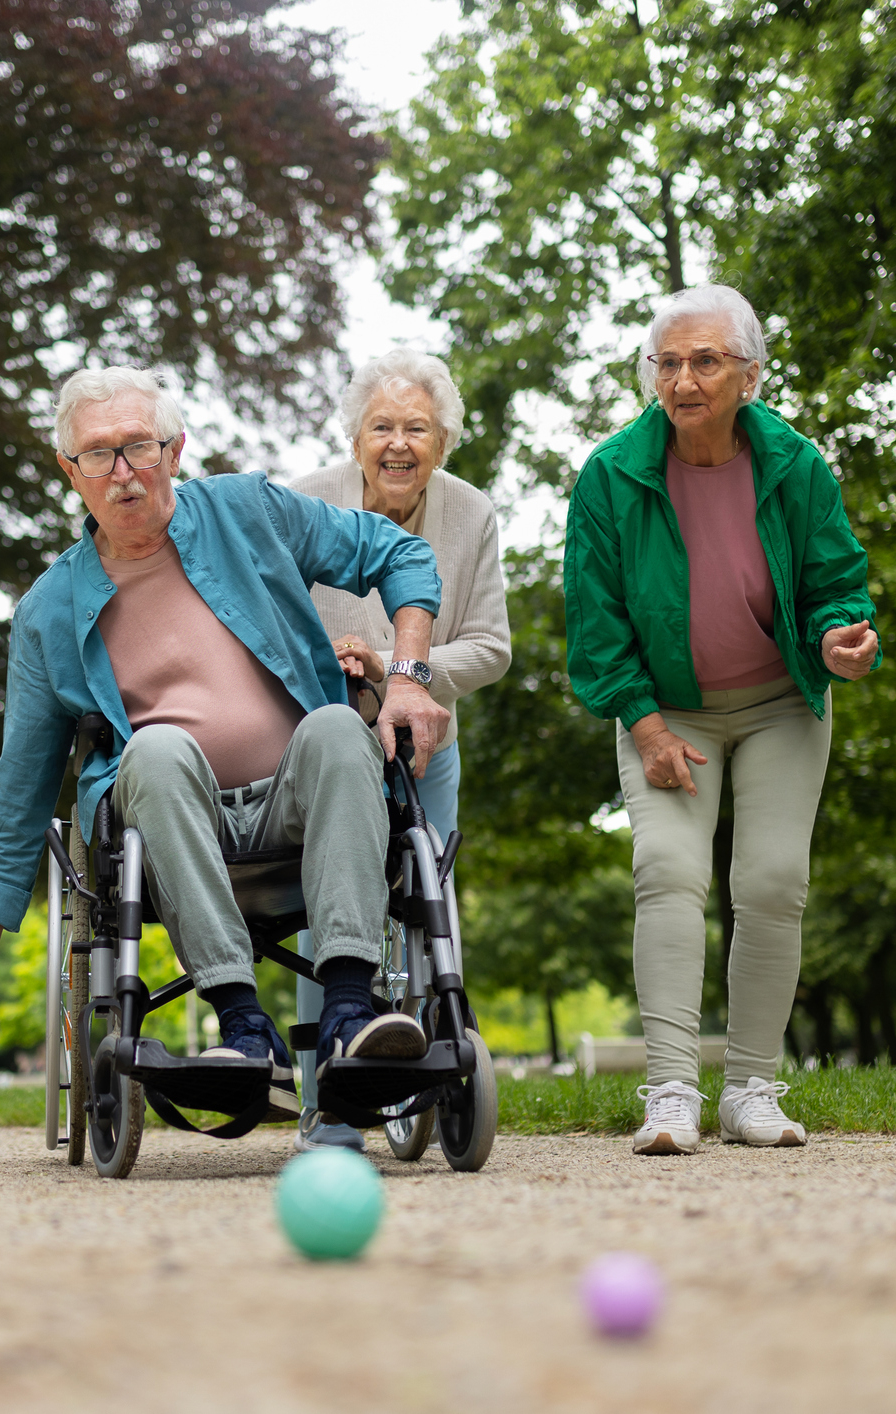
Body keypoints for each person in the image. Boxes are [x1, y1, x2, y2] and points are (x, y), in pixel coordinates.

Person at [0, 366, 454, 1116]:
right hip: (176, 821)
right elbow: (18, 792)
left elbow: (399, 555)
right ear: (68, 471)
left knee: (339, 724)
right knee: (155, 748)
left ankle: (348, 1012)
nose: (122, 473)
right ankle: (242, 1026)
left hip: (301, 806)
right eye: (97, 455)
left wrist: (405, 678)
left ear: (175, 451)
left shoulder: (247, 511)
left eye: (138, 447)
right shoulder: (47, 613)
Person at [563, 284, 879, 1157]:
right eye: (667, 363)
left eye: (704, 361)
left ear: (748, 374)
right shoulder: (610, 474)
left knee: (772, 882)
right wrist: (643, 721)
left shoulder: (795, 465)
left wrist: (838, 643)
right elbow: (595, 623)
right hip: (666, 709)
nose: (683, 380)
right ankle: (669, 1091)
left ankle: (750, 1088)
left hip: (780, 700)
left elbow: (833, 585)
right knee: (666, 871)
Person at [286, 349, 510, 1151]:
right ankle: (327, 1097)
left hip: (423, 734)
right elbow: (269, 623)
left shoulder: (469, 514)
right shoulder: (304, 502)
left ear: (443, 440)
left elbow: (489, 646)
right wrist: (329, 663)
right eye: (381, 426)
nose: (398, 443)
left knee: (426, 899)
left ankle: (417, 1064)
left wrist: (401, 668)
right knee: (331, 900)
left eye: (417, 427)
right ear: (355, 438)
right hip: (323, 734)